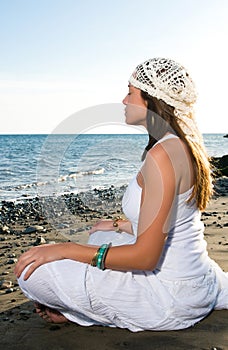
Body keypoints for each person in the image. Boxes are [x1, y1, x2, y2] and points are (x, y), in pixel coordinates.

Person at [15, 57, 228, 331]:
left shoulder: (164, 155)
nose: (124, 100)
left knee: (32, 273)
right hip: (193, 272)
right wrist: (120, 225)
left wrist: (63, 249)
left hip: (171, 297)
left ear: (152, 100)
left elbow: (145, 258)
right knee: (100, 233)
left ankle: (84, 314)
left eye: (130, 92)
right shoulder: (175, 144)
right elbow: (174, 222)